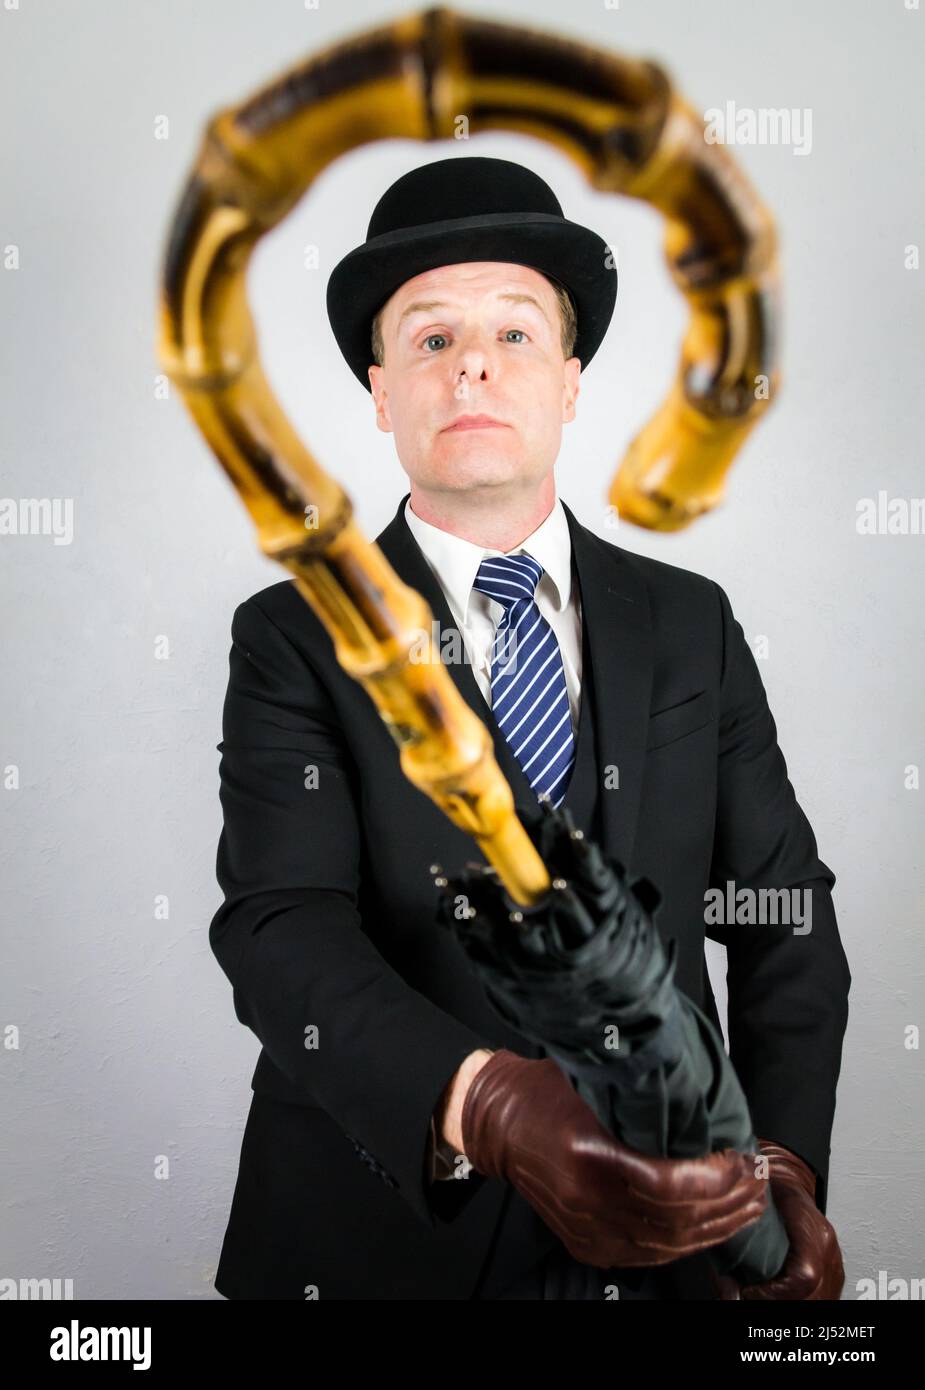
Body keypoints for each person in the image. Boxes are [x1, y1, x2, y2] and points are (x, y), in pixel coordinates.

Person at [208, 156, 850, 1300]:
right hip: (379, 1245)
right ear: (380, 390)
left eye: (514, 334)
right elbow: (279, 931)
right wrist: (488, 1106)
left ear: (568, 379)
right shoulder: (291, 635)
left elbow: (783, 910)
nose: (471, 368)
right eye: (429, 338)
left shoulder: (690, 622)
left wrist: (783, 1165)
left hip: (677, 1242)